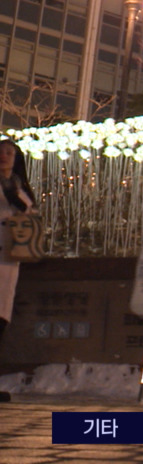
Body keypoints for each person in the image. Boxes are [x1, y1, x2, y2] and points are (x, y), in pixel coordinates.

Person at [0, 140, 35, 403]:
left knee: (1, 320)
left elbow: (31, 212)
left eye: (10, 152)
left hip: (10, 259)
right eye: (0, 152)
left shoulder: (20, 186)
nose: (4, 156)